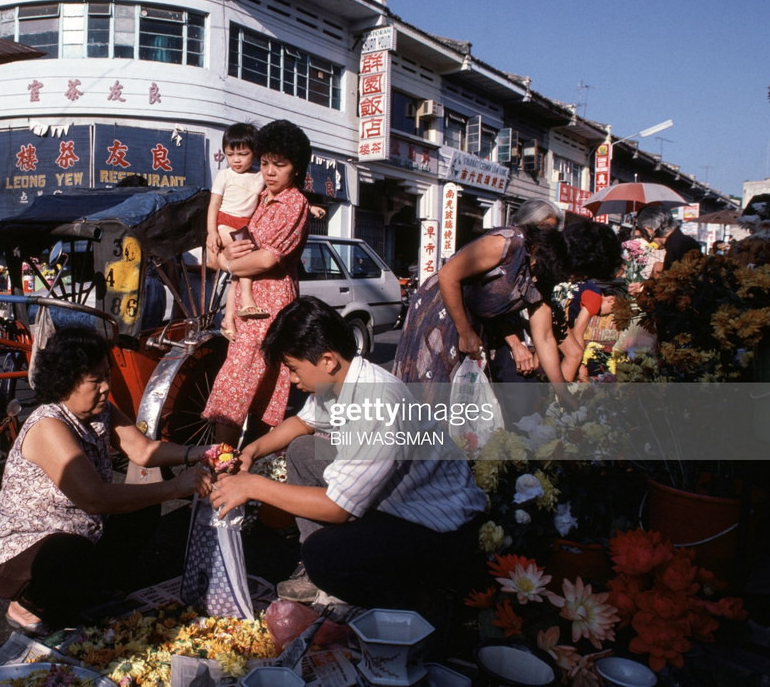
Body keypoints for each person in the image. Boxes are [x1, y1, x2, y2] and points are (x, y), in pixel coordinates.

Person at [209, 296, 485, 607]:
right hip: (396, 501)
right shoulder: (339, 380)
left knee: (324, 556)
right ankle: (319, 568)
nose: (292, 380)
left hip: (439, 528)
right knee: (303, 450)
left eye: (294, 369)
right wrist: (252, 451)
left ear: (327, 360)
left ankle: (421, 606)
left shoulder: (377, 401)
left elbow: (337, 508)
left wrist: (254, 486)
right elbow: (302, 422)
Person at [0, 326, 213, 632]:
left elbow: (144, 450)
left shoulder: (101, 411)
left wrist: (202, 452)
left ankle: (94, 588)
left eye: (107, 376)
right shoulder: (49, 425)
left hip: (79, 529)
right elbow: (94, 498)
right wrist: (176, 487)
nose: (105, 387)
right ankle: (27, 607)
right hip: (19, 551)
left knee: (143, 506)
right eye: (94, 381)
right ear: (67, 382)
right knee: (67, 555)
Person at [393, 202, 570, 412]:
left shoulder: (547, 267)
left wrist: (563, 393)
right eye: (543, 227)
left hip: (476, 321)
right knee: (433, 384)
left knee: (466, 392)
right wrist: (464, 331)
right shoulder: (508, 242)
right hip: (443, 308)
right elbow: (448, 275)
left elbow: (545, 337)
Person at [202, 120, 311, 444]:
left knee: (259, 380)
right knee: (240, 378)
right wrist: (225, 257)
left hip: (271, 304)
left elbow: (266, 259)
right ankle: (227, 459)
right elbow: (216, 254)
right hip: (246, 303)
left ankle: (246, 462)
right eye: (265, 163)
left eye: (280, 164)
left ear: (296, 168)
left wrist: (228, 262)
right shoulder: (259, 197)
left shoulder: (295, 204)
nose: (270, 172)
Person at [207, 123, 267, 336]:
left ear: (255, 154)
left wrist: (311, 205)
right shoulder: (224, 175)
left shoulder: (260, 176)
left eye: (243, 154)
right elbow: (213, 205)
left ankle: (228, 321)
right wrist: (212, 232)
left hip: (243, 226)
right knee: (245, 262)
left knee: (236, 277)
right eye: (230, 154)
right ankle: (248, 300)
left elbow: (277, 194)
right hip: (224, 223)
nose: (236, 160)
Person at [552, 219, 624, 382]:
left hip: (538, 333)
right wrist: (580, 365)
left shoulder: (556, 274)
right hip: (558, 336)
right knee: (574, 355)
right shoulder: (591, 290)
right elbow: (578, 332)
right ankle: (559, 403)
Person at [633, 203, 701, 270]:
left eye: (647, 230)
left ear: (652, 228)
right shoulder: (682, 241)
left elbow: (673, 278)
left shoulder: (676, 246)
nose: (649, 236)